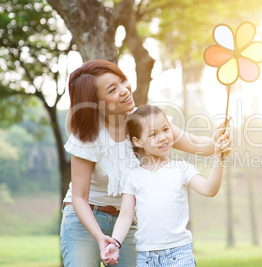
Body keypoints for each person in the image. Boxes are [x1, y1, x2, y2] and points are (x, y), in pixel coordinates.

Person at [60, 60, 232, 267]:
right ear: (96, 102)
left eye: (123, 81)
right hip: (85, 220)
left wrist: (217, 143)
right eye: (113, 89)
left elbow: (195, 143)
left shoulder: (144, 123)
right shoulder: (87, 135)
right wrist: (100, 237)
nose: (124, 90)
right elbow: (79, 197)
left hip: (127, 219)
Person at [100, 105, 230, 266]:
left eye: (165, 129)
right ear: (137, 141)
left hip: (179, 254)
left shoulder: (182, 168)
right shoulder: (133, 176)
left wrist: (219, 157)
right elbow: (126, 215)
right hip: (145, 258)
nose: (162, 137)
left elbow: (209, 189)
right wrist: (115, 242)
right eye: (153, 134)